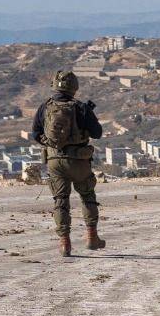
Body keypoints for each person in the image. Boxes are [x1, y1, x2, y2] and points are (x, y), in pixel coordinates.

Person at [32, 70, 105, 256]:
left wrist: (53, 145)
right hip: (79, 161)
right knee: (87, 196)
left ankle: (64, 243)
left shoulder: (45, 107)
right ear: (74, 87)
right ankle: (91, 237)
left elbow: (35, 134)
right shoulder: (80, 107)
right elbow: (97, 133)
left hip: (55, 162)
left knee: (60, 201)